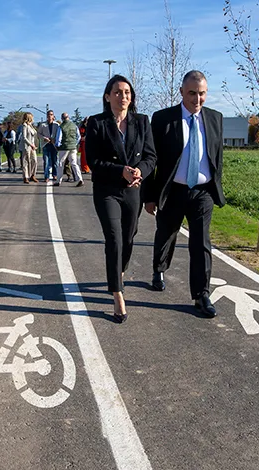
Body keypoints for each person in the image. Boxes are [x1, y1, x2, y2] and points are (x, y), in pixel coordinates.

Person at [143, 70, 226, 318]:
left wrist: (215, 186)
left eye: (201, 94)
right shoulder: (162, 119)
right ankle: (159, 268)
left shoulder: (215, 118)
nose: (197, 99)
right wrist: (149, 196)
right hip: (173, 190)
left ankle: (201, 294)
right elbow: (151, 159)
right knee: (166, 234)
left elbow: (217, 155)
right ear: (181, 92)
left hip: (202, 192)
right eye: (192, 93)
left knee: (201, 243)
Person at [85, 74, 156, 323]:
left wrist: (140, 172)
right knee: (114, 238)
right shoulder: (96, 123)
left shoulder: (142, 122)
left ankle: (120, 271)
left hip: (133, 190)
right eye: (117, 92)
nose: (123, 96)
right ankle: (118, 294)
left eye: (127, 92)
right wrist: (120, 171)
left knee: (128, 236)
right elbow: (93, 161)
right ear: (107, 97)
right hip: (106, 190)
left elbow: (150, 156)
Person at [55, 112, 84, 187]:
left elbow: (59, 138)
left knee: (61, 163)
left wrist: (57, 145)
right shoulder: (74, 126)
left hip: (64, 147)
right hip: (73, 147)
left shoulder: (61, 126)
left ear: (62, 118)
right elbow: (78, 136)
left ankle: (58, 180)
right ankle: (80, 179)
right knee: (74, 163)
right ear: (68, 117)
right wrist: (75, 143)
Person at [37, 110, 60, 183]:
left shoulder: (57, 125)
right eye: (49, 115)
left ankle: (55, 174)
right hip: (46, 144)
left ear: (53, 116)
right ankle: (46, 176)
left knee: (55, 161)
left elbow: (59, 134)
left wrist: (55, 140)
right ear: (47, 116)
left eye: (51, 115)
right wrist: (44, 138)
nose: (50, 116)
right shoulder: (43, 125)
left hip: (54, 145)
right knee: (46, 161)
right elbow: (38, 134)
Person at [19, 112, 39, 184]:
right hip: (26, 146)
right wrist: (31, 145)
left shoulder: (31, 126)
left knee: (34, 160)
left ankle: (33, 175)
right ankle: (25, 177)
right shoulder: (24, 126)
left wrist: (34, 145)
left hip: (32, 146)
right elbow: (24, 137)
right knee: (25, 161)